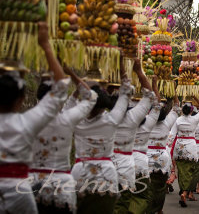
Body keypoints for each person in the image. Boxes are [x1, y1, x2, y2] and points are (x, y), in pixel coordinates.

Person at [0, 22, 69, 214]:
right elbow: (62, 86)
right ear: (21, 99)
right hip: (19, 195)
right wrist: (46, 46)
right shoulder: (26, 123)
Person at [30, 68, 97, 214]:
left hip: (31, 184)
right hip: (61, 186)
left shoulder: (25, 119)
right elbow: (91, 98)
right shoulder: (66, 119)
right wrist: (73, 75)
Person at [71, 55, 131, 214]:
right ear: (104, 104)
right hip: (106, 175)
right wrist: (121, 63)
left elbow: (67, 104)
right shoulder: (112, 119)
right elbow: (126, 91)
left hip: (79, 174)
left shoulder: (75, 120)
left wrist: (76, 80)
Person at [113, 59, 154, 214]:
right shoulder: (132, 118)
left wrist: (120, 65)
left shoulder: (104, 117)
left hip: (100, 170)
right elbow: (150, 97)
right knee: (123, 204)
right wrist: (139, 72)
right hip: (126, 168)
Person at [130, 77, 162, 214]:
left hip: (120, 163)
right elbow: (156, 104)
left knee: (123, 197)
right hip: (141, 164)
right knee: (142, 196)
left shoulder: (122, 122)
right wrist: (154, 83)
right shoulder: (149, 123)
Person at [171, 97, 199, 207]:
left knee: (181, 171)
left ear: (182, 110)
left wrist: (167, 149)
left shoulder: (178, 120)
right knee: (190, 171)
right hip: (191, 147)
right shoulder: (194, 119)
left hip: (179, 146)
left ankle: (182, 191)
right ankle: (185, 192)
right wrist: (196, 97)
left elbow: (171, 135)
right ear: (191, 110)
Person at [146, 96, 180, 214]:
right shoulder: (167, 122)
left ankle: (148, 208)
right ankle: (158, 209)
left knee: (145, 187)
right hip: (162, 160)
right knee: (160, 188)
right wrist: (175, 93)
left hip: (145, 158)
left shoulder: (145, 121)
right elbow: (176, 107)